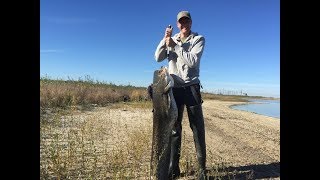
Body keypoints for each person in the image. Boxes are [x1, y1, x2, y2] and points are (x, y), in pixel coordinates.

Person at [154, 10, 206, 179]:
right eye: (181, 22)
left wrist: (175, 46)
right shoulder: (171, 39)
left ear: (191, 23)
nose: (184, 25)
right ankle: (173, 168)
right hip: (174, 89)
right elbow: (157, 58)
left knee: (197, 128)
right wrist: (165, 40)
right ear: (177, 24)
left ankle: (202, 170)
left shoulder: (198, 39)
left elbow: (192, 61)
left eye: (187, 21)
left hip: (191, 88)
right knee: (174, 129)